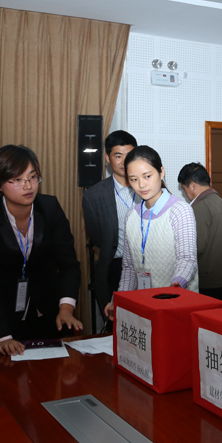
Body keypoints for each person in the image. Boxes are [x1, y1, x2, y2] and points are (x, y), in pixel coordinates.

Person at [0, 145, 82, 356]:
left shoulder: (50, 208)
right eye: (17, 179)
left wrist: (66, 308)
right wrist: (2, 336)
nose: (28, 186)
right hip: (5, 322)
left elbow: (69, 265)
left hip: (51, 316)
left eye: (32, 177)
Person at [105, 146, 199, 319]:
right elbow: (129, 268)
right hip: (145, 305)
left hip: (177, 304)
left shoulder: (180, 210)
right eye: (133, 179)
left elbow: (187, 259)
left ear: (161, 172)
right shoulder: (131, 216)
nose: (141, 185)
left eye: (147, 176)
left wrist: (174, 288)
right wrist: (118, 300)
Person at [82, 130, 140, 319]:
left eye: (129, 155)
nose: (124, 161)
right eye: (118, 156)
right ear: (107, 158)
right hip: (114, 268)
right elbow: (96, 237)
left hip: (148, 268)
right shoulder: (94, 195)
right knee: (119, 324)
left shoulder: (148, 187)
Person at [178, 163, 222, 301]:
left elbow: (196, 247)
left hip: (205, 280)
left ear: (192, 186)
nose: (185, 194)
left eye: (183, 189)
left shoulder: (199, 208)